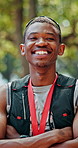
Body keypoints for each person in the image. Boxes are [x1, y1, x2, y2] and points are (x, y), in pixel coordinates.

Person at [0, 16, 78, 148]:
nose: (41, 43)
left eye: (50, 38)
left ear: (61, 49)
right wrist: (56, 136)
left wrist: (19, 140)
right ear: (23, 49)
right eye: (33, 38)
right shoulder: (5, 95)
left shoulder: (75, 91)